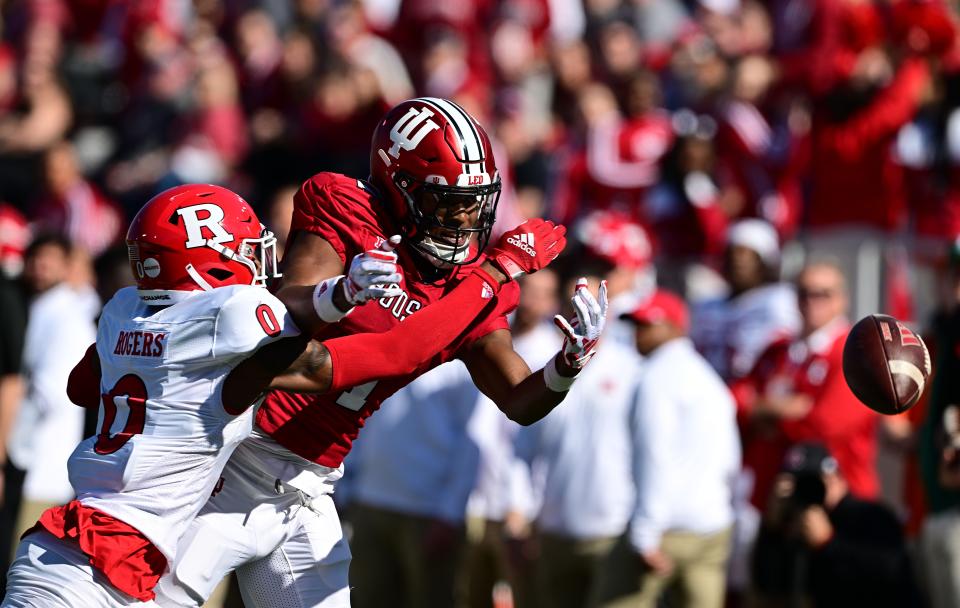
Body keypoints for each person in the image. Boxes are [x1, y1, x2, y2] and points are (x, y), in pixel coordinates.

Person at [1, 184, 565, 608]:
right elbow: (386, 355)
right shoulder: (227, 316)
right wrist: (496, 270)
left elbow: (84, 388)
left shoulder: (123, 307)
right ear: (212, 260)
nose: (259, 262)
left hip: (68, 545)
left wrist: (343, 292)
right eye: (246, 250)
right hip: (113, 570)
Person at [156, 97, 610, 608]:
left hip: (310, 483)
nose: (464, 216)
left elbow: (521, 401)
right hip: (235, 452)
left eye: (474, 201)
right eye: (448, 200)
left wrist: (567, 365)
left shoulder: (474, 285)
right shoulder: (347, 207)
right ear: (399, 187)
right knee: (150, 597)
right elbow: (288, 308)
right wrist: (342, 291)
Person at [594, 290, 739, 608]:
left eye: (648, 326)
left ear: (675, 328)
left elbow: (652, 457)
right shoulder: (709, 378)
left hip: (666, 530)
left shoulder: (656, 378)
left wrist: (645, 534)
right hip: (712, 527)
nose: (638, 334)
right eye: (636, 326)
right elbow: (730, 461)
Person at [513, 270, 643, 608]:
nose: (583, 312)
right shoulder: (547, 365)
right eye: (576, 303)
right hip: (554, 529)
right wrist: (522, 511)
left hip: (612, 530)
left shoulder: (632, 368)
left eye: (592, 304)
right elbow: (523, 446)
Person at [732, 259, 879, 510]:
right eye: (804, 293)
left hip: (837, 496)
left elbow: (824, 426)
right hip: (775, 495)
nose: (812, 301)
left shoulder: (857, 353)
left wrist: (766, 417)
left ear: (842, 299)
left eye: (823, 294)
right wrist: (775, 409)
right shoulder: (779, 350)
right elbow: (735, 400)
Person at [752, 442, 918, 608]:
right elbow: (768, 585)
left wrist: (828, 543)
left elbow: (891, 572)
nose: (807, 491)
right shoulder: (793, 525)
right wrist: (772, 526)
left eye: (814, 481)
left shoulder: (870, 516)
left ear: (835, 478)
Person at [690, 218, 800, 382]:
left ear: (765, 262)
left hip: (755, 389)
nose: (738, 262)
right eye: (732, 255)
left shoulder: (779, 300)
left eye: (748, 256)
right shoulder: (706, 305)